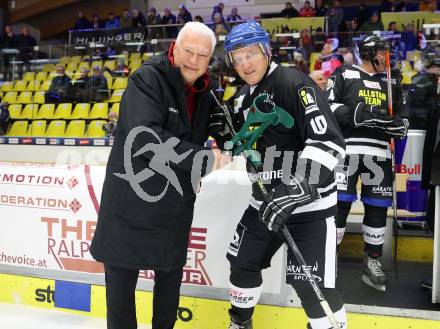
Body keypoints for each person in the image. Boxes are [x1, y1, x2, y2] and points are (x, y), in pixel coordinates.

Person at [90, 22, 230, 329]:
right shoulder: (147, 79)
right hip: (131, 204)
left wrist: (227, 136)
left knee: (169, 288)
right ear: (175, 48)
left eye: (202, 55)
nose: (193, 60)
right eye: (188, 51)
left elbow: (224, 131)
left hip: (173, 208)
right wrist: (202, 158)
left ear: (210, 59)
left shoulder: (207, 92)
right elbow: (145, 138)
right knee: (121, 295)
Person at [223, 21, 347, 329]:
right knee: (241, 265)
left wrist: (297, 186)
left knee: (312, 285)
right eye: (236, 59)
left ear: (266, 50)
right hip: (263, 202)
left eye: (250, 54)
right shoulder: (241, 98)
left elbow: (328, 142)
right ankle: (240, 323)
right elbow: (240, 144)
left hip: (309, 204)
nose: (244, 64)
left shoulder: (294, 83)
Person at [326, 34, 409, 292]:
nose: (387, 57)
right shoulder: (344, 74)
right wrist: (361, 115)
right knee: (339, 205)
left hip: (380, 154)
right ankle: (329, 259)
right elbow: (328, 105)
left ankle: (371, 262)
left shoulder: (392, 82)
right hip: (347, 151)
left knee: (377, 209)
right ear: (369, 52)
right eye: (383, 52)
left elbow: (404, 119)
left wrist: (399, 126)